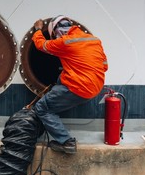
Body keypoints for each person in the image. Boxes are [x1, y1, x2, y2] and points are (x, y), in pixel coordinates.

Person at [31, 15, 108, 154]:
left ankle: (66, 142)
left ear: (56, 31)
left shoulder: (65, 42)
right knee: (63, 74)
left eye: (54, 35)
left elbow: (41, 45)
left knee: (42, 107)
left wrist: (38, 29)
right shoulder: (94, 40)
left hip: (79, 87)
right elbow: (105, 66)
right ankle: (58, 91)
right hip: (97, 86)